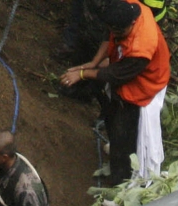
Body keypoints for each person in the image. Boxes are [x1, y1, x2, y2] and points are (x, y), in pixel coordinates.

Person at [61, 0, 170, 184]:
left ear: (131, 25)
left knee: (125, 131)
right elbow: (109, 35)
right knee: (112, 114)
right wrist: (94, 62)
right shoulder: (130, 6)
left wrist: (83, 73)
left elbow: (115, 74)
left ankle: (122, 181)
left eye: (119, 32)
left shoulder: (141, 47)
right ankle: (118, 148)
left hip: (145, 83)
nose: (115, 34)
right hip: (126, 76)